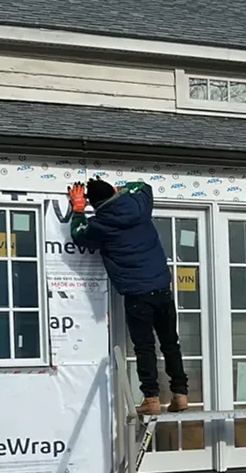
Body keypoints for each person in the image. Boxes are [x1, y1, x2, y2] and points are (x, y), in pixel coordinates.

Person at [68, 177, 188, 416]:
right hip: (162, 289)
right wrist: (120, 189)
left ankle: (152, 399)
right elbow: (143, 185)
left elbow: (78, 235)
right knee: (170, 343)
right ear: (113, 191)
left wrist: (78, 210)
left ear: (94, 204)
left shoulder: (100, 225)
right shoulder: (139, 205)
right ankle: (180, 394)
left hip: (137, 294)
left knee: (144, 347)